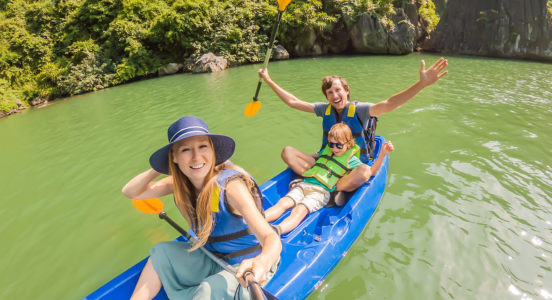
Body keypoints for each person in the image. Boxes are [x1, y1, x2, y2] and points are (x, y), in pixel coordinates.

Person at [122, 116, 281, 300]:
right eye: (185, 150)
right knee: (160, 253)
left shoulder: (231, 188)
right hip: (213, 257)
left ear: (212, 150)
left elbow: (270, 236)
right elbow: (131, 192)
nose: (196, 157)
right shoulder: (181, 183)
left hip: (248, 265)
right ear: (174, 157)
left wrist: (262, 262)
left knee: (209, 289)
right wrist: (161, 165)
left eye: (203, 146)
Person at [257, 58, 448, 195]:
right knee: (287, 152)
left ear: (346, 91)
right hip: (327, 164)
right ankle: (323, 181)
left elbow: (390, 104)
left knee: (365, 172)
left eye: (338, 90)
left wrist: (421, 84)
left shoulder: (360, 110)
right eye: (329, 92)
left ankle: (330, 185)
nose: (334, 95)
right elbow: (293, 102)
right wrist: (268, 80)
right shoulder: (325, 110)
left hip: (350, 167)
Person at [264, 124, 395, 234]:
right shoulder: (327, 151)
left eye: (339, 145)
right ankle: (259, 221)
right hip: (305, 184)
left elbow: (371, 172)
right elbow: (315, 157)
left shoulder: (352, 160)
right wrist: (295, 164)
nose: (334, 148)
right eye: (332, 144)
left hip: (321, 192)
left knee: (299, 210)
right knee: (282, 203)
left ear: (349, 144)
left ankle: (277, 230)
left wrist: (383, 154)